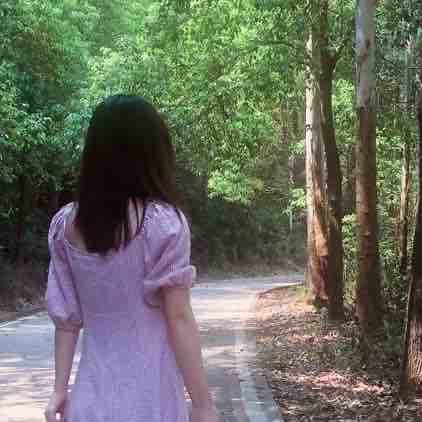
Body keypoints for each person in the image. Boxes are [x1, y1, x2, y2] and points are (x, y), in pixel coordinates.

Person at [44, 95, 219, 422]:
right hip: (152, 402)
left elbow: (66, 320)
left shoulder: (66, 225)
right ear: (152, 154)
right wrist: (203, 405)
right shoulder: (163, 224)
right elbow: (179, 318)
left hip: (89, 402)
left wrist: (58, 389)